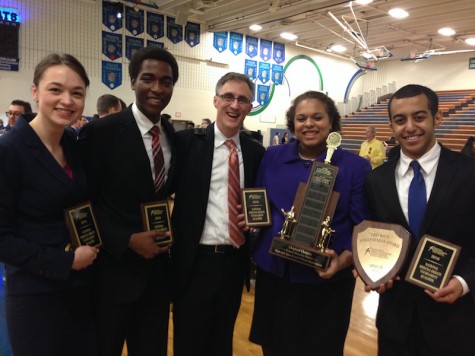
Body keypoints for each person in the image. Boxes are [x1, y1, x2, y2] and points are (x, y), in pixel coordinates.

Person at [249, 91, 371, 356]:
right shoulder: (272, 156)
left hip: (326, 281)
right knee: (274, 347)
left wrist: (345, 260)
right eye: (301, 118)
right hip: (275, 275)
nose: (309, 124)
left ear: (332, 122)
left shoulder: (355, 167)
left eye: (317, 117)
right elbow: (258, 201)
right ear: (292, 123)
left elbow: (362, 226)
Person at [78, 47, 178, 356]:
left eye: (166, 81)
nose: (157, 88)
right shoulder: (100, 132)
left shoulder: (172, 134)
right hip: (112, 275)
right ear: (133, 80)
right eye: (148, 79)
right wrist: (127, 239)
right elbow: (82, 205)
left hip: (157, 279)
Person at [364, 84, 475, 355]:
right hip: (395, 323)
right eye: (400, 120)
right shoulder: (376, 180)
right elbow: (373, 240)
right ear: (391, 125)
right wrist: (373, 271)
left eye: (419, 117)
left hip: (456, 320)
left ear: (437, 118)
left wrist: (464, 282)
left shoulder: (469, 173)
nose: (410, 127)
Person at [0, 53, 98, 355]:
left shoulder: (71, 142)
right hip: (36, 295)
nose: (67, 100)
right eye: (55, 89)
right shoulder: (9, 151)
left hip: (80, 289)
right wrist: (66, 261)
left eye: (77, 93)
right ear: (35, 92)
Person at [171, 72, 265, 356]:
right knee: (188, 341)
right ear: (215, 100)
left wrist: (257, 221)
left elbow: (262, 201)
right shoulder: (186, 143)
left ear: (250, 106)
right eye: (228, 97)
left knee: (222, 340)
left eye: (242, 99)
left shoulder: (255, 151)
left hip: (233, 263)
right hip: (194, 261)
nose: (234, 105)